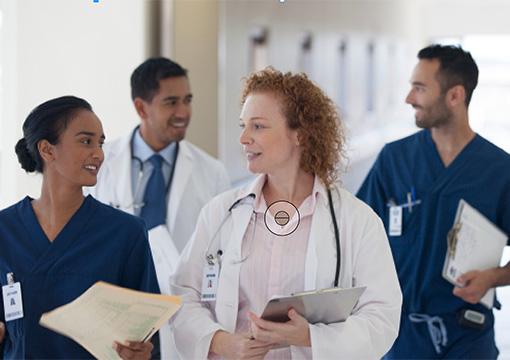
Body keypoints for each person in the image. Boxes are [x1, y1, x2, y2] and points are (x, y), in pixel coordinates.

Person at [170, 67, 402, 359]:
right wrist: (219, 341)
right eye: (243, 125)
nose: (243, 138)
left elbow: (382, 316)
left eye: (258, 126)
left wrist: (312, 338)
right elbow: (184, 294)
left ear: (300, 134)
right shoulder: (220, 213)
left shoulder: (357, 221)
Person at [357, 44, 510, 359]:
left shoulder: (499, 171)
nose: (409, 98)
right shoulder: (393, 160)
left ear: (455, 96)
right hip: (400, 338)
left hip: (468, 338)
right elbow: (353, 238)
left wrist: (492, 278)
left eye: (420, 88)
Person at [84, 57, 230, 358]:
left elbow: (222, 254)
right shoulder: (100, 164)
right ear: (141, 107)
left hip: (179, 313)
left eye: (187, 100)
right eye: (171, 102)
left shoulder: (211, 172)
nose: (183, 113)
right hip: (115, 310)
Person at [0, 96, 160, 359]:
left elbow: (148, 338)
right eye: (86, 141)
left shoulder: (125, 233)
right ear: (47, 150)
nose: (98, 154)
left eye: (101, 143)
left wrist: (141, 352)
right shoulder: (5, 231)